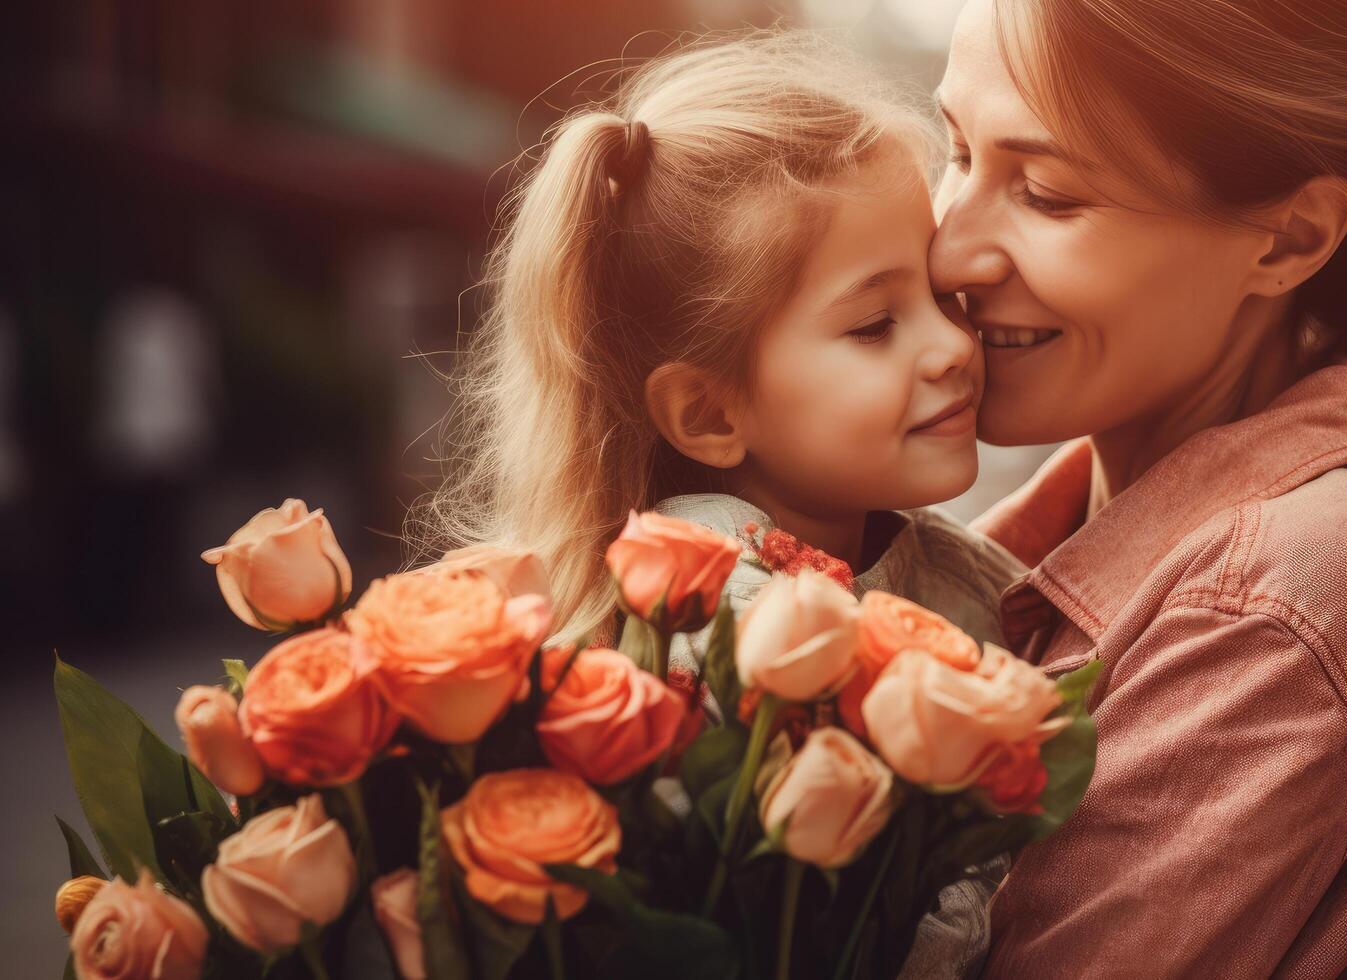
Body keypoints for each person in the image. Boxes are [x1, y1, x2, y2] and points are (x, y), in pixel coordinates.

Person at [928, 0, 1347, 976]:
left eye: (1048, 194)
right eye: (956, 152)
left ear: (1286, 241)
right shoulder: (1014, 558)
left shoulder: (1279, 600)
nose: (947, 251)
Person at [407, 34, 1021, 976]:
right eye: (873, 325)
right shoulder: (717, 648)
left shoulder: (951, 574)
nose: (951, 347)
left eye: (940, 295)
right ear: (707, 413)